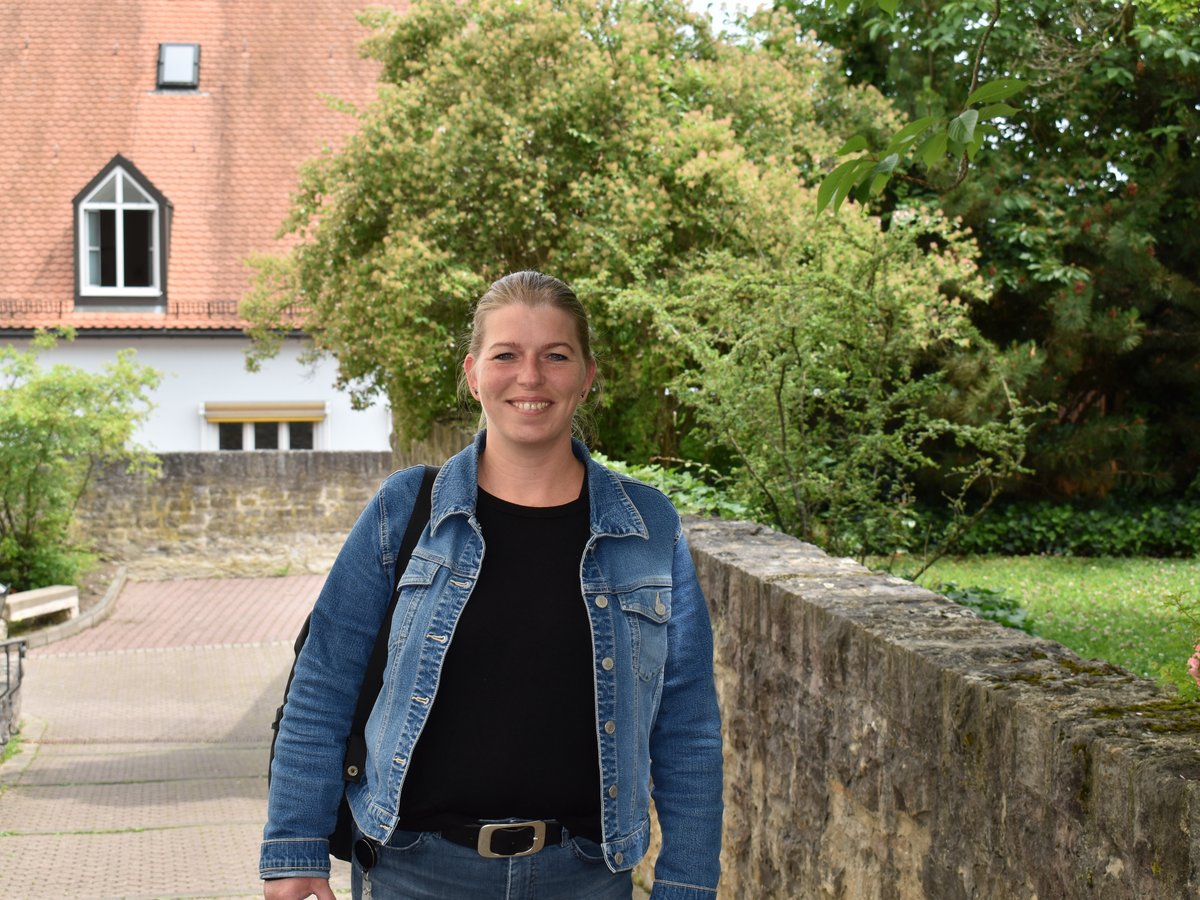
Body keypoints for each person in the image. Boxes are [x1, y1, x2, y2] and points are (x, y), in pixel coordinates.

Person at [260, 271, 723, 899]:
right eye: (506, 355)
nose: (530, 377)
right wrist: (294, 847)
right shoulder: (407, 510)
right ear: (474, 374)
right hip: (414, 874)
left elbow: (688, 726)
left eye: (555, 356)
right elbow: (324, 682)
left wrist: (687, 884)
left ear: (587, 376)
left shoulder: (648, 527)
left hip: (587, 878)